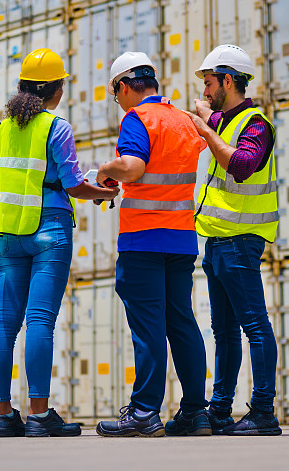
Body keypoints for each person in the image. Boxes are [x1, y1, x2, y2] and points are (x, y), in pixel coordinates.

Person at [0, 48, 119, 437]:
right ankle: (40, 416)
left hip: (10, 234)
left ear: (22, 88)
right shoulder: (55, 127)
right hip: (50, 232)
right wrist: (106, 194)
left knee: (6, 321)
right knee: (40, 319)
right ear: (56, 89)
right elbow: (74, 184)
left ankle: (2, 414)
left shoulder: (3, 128)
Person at [94, 52, 210, 437]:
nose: (119, 103)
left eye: (116, 96)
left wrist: (105, 170)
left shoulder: (136, 119)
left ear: (123, 87)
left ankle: (144, 411)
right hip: (181, 239)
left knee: (148, 327)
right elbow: (194, 149)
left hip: (143, 240)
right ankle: (195, 412)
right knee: (181, 323)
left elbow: (134, 168)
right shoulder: (181, 120)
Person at [185, 44, 282, 436]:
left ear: (229, 80)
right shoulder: (226, 120)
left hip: (241, 241)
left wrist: (206, 128)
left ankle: (263, 412)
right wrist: (208, 118)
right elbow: (214, 116)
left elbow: (242, 166)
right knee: (223, 332)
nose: (206, 92)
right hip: (217, 242)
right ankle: (220, 409)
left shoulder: (257, 124)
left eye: (209, 83)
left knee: (254, 327)